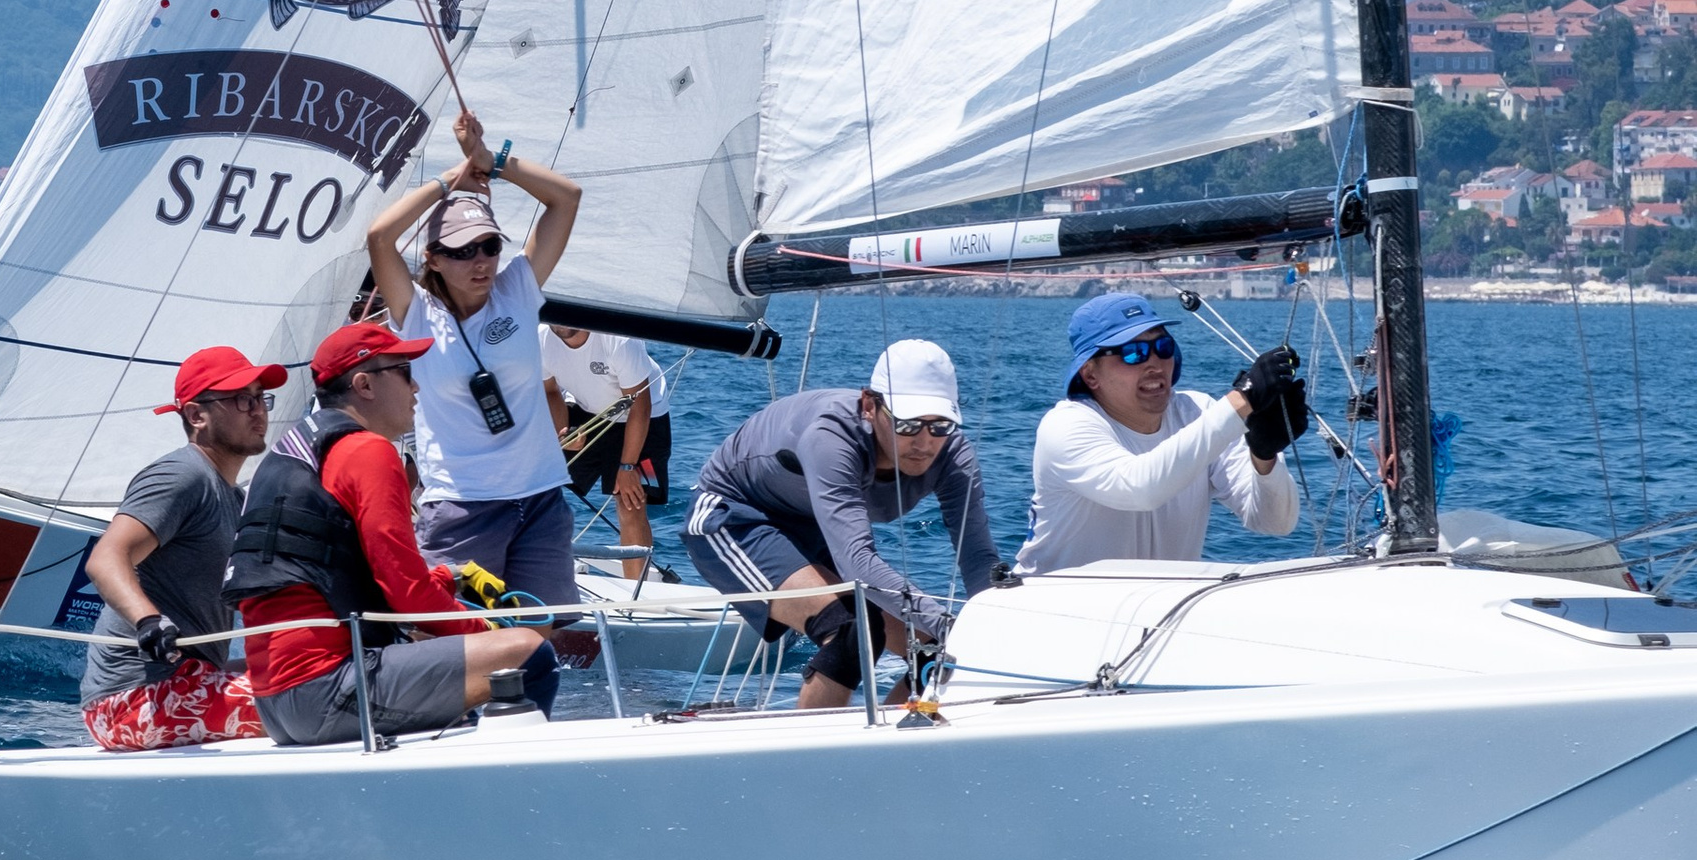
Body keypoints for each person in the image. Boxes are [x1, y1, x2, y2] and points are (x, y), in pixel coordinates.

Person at [226, 321, 552, 745]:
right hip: (329, 690)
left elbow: (340, 575)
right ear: (364, 384)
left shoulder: (295, 452)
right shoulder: (368, 452)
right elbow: (410, 599)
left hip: (277, 704)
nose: (417, 388)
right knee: (527, 652)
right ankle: (516, 795)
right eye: (404, 372)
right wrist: (488, 630)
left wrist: (445, 577)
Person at [683, 337, 1003, 707]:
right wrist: (944, 617)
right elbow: (856, 559)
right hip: (735, 516)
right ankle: (811, 760)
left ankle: (898, 746)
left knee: (938, 650)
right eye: (908, 424)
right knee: (853, 629)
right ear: (869, 405)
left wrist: (986, 624)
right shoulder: (831, 437)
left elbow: (978, 555)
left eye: (940, 425)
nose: (924, 442)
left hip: (816, 523)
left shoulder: (953, 454)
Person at [366, 106, 583, 611]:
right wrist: (450, 179)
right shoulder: (415, 314)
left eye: (489, 246)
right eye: (463, 251)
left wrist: (491, 159)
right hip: (462, 504)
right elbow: (379, 237)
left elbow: (565, 198)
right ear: (434, 258)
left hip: (541, 497)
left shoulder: (518, 290)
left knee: (535, 637)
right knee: (447, 634)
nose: (481, 261)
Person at [77, 344, 283, 752]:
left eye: (261, 398)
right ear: (196, 415)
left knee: (320, 674)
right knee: (316, 700)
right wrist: (148, 622)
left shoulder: (233, 498)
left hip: (190, 681)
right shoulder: (182, 475)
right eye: (242, 399)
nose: (258, 410)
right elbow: (106, 558)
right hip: (131, 701)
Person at [1017, 290, 1311, 574]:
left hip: (1156, 612)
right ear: (1091, 374)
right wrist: (1243, 400)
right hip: (1058, 611)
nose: (1155, 363)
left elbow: (1276, 522)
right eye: (1134, 353)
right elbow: (1140, 489)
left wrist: (1264, 456)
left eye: (1163, 347)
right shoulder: (1066, 425)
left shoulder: (1199, 412)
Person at [542, 324, 670, 576]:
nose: (561, 322)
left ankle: (635, 593)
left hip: (646, 416)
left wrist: (627, 466)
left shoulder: (619, 341)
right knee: (540, 479)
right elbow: (549, 390)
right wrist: (564, 433)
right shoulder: (541, 339)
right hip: (588, 410)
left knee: (630, 499)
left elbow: (639, 406)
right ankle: (541, 567)